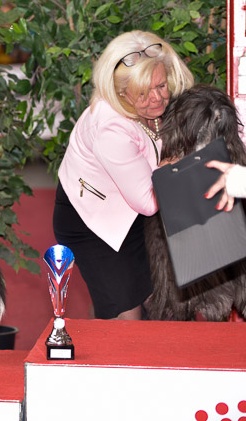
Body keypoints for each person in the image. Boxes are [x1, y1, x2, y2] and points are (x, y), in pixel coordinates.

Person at [52, 30, 194, 320]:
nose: (157, 98)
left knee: (161, 302)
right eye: (143, 93)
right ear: (121, 93)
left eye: (161, 85)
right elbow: (149, 201)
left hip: (134, 213)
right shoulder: (109, 127)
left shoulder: (163, 100)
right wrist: (176, 163)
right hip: (94, 223)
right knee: (125, 317)